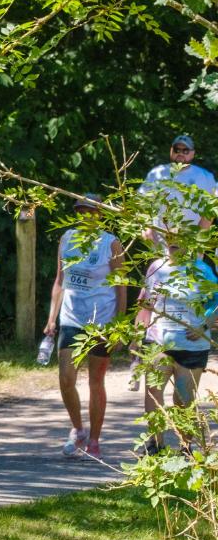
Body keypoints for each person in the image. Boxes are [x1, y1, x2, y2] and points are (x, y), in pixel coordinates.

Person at [42, 193, 126, 462]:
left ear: (100, 214)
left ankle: (95, 440)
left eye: (90, 211)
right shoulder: (66, 238)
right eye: (81, 211)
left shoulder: (110, 244)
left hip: (101, 320)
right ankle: (77, 429)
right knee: (66, 378)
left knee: (95, 381)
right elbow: (60, 280)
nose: (85, 216)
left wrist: (119, 325)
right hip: (71, 318)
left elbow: (121, 286)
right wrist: (51, 318)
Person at [135, 242, 217, 454]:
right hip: (158, 340)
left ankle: (185, 448)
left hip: (191, 345)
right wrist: (139, 328)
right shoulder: (156, 267)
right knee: (153, 392)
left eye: (181, 238)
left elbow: (216, 301)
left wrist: (204, 326)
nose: (175, 243)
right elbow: (146, 302)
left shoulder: (201, 270)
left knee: (183, 400)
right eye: (170, 238)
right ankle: (155, 445)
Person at [138, 134, 216, 236]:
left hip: (190, 240)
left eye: (185, 150)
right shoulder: (157, 173)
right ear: (171, 150)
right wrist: (146, 229)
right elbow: (141, 200)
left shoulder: (206, 176)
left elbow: (213, 206)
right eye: (177, 149)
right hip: (159, 240)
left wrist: (200, 236)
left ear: (193, 153)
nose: (180, 153)